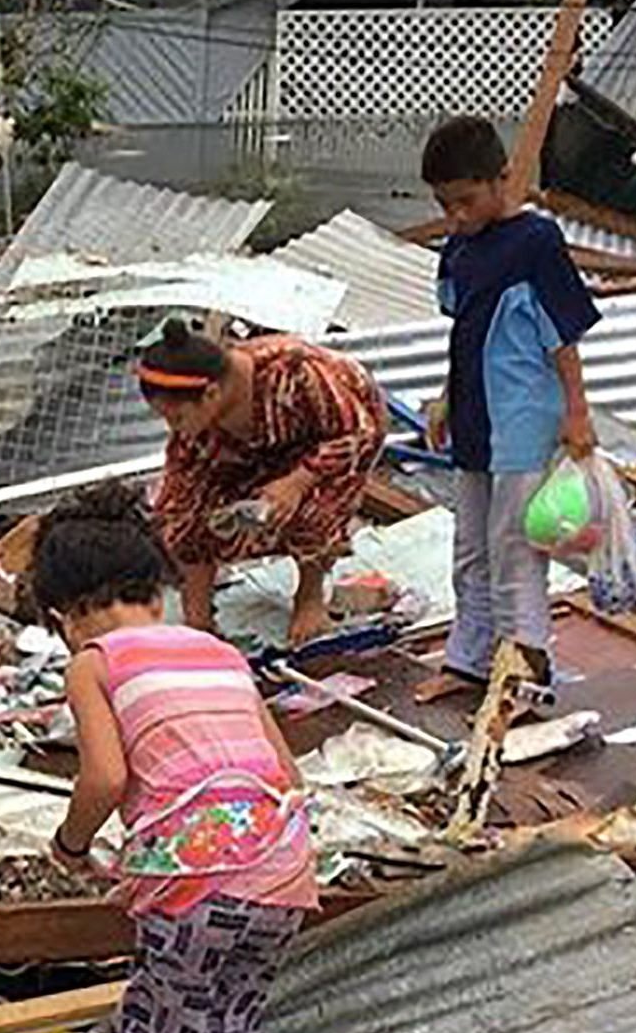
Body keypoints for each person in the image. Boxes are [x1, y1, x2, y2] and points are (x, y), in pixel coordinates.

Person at [33, 484, 317, 1033]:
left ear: (63, 610)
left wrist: (68, 845)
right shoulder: (218, 651)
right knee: (232, 1017)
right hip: (284, 868)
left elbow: (101, 780)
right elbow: (287, 775)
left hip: (194, 883)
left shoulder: (94, 661)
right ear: (153, 587)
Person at [418, 114, 601, 700]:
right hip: (474, 416)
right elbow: (462, 332)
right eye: (447, 204)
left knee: (514, 547)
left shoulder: (536, 242)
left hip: (523, 419)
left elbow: (562, 338)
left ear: (502, 180)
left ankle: (525, 669)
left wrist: (577, 412)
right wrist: (446, 398)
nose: (458, 215)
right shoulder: (457, 249)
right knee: (470, 545)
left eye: (467, 201)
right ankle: (467, 661)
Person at [138, 318, 386, 646]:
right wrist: (196, 620)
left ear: (211, 394)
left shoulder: (294, 372)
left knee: (313, 512)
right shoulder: (198, 429)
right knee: (183, 514)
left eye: (178, 417)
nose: (176, 428)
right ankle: (200, 617)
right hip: (257, 452)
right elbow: (178, 510)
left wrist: (296, 483)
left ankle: (309, 596)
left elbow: (358, 433)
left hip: (337, 441)